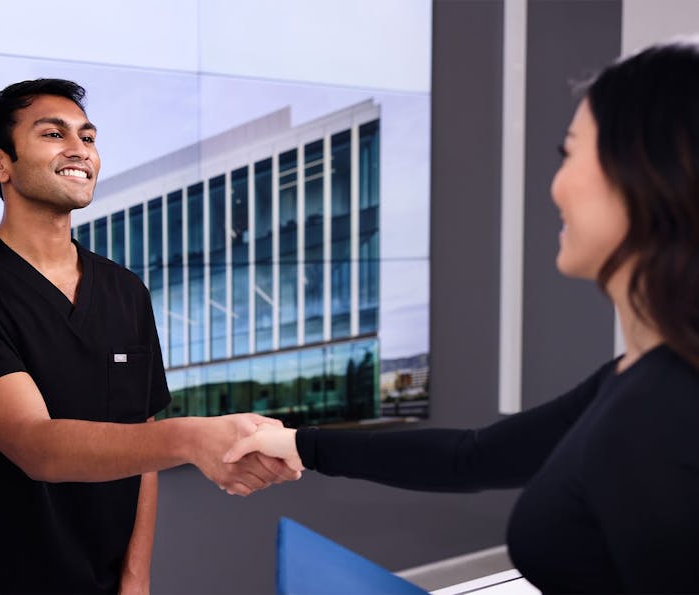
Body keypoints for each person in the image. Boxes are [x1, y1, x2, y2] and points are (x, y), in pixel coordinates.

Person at [225, 40, 699, 592]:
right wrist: (299, 443)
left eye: (569, 154)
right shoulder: (639, 378)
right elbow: (472, 457)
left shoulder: (666, 413)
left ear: (641, 175)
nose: (556, 185)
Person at [0, 78, 298, 594]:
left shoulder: (124, 290)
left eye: (88, 138)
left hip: (101, 578)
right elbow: (37, 446)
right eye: (53, 134)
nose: (79, 150)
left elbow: (141, 433)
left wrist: (135, 575)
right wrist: (193, 437)